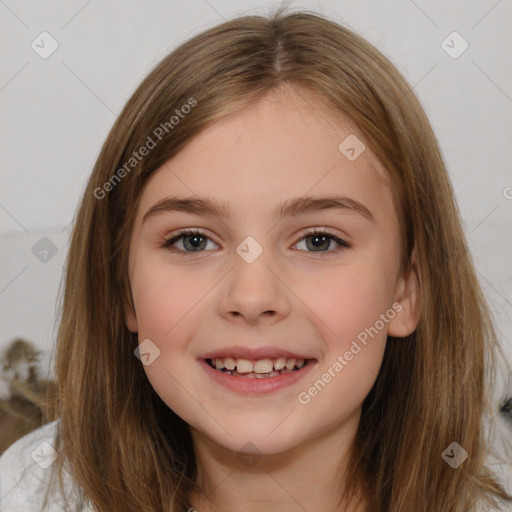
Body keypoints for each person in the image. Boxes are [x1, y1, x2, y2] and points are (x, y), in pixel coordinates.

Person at [1, 5, 511, 512]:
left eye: (318, 241)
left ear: (407, 289)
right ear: (122, 288)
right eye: (193, 241)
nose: (252, 297)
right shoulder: (27, 494)